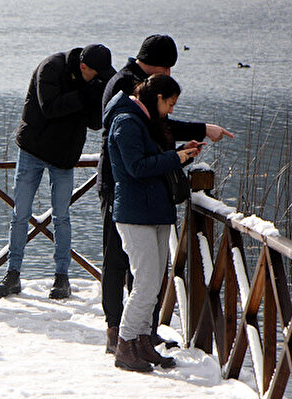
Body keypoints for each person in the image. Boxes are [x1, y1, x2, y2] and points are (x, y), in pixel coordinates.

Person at [99, 34, 235, 353]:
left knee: (145, 272)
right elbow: (142, 150)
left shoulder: (136, 91)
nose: (170, 74)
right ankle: (121, 334)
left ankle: (141, 335)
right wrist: (182, 148)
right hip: (125, 189)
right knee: (123, 263)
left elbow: (156, 134)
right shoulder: (128, 92)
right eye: (167, 67)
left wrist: (180, 149)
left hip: (140, 192)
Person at [0, 44, 114, 299]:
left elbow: (94, 122)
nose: (100, 78)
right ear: (83, 67)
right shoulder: (51, 67)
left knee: (62, 217)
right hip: (33, 150)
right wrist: (85, 94)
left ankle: (62, 278)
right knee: (20, 214)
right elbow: (50, 107)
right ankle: (12, 275)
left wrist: (96, 95)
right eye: (97, 74)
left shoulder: (95, 81)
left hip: (64, 155)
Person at [106, 74, 202, 371]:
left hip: (154, 211)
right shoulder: (126, 122)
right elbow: (136, 168)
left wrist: (181, 154)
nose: (170, 111)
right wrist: (176, 157)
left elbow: (152, 159)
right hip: (136, 214)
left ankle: (143, 342)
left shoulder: (144, 120)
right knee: (145, 282)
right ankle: (124, 344)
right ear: (157, 97)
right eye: (169, 104)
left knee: (154, 283)